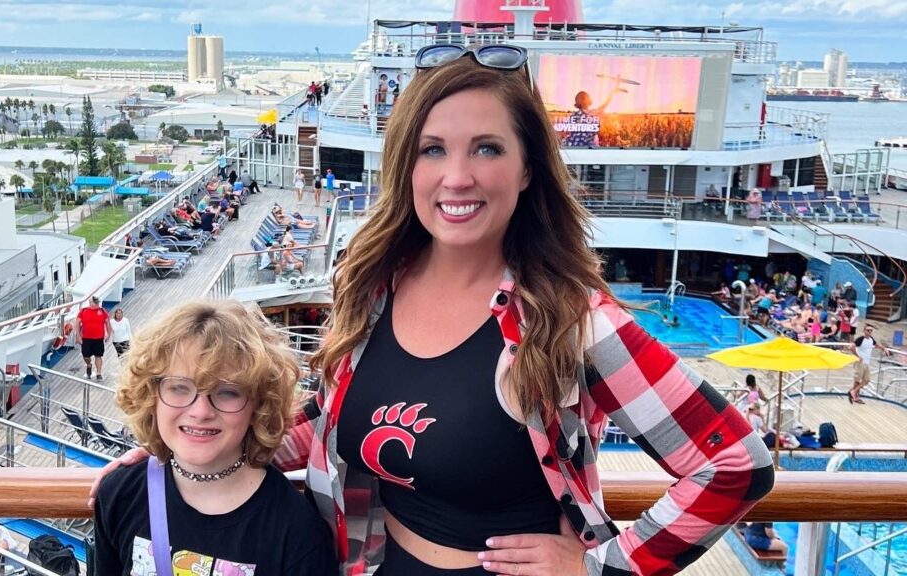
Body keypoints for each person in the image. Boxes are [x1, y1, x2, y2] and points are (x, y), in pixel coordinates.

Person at [92, 42, 773, 575]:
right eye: (433, 150)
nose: (457, 176)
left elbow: (735, 463)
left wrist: (605, 566)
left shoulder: (572, 322)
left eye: (487, 148)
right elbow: (330, 421)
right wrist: (175, 456)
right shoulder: (374, 287)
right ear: (406, 167)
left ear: (528, 168)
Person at [94, 301, 338, 576]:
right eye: (179, 387)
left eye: (227, 392)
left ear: (259, 405)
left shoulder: (297, 531)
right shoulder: (121, 495)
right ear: (151, 396)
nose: (200, 411)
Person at [849, 324, 892, 404]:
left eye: (871, 330)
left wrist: (884, 349)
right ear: (864, 331)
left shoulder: (871, 339)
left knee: (867, 380)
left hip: (866, 363)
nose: (869, 332)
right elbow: (851, 347)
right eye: (868, 330)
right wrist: (858, 356)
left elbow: (876, 344)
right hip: (860, 362)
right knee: (857, 380)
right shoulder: (860, 339)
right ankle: (855, 397)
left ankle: (853, 391)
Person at [77, 296, 111, 380]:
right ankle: (89, 365)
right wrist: (78, 336)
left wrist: (108, 334)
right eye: (90, 302)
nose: (91, 304)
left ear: (97, 303)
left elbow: (107, 323)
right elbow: (77, 323)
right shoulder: (83, 311)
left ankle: (99, 373)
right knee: (86, 356)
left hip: (99, 338)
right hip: (86, 338)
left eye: (92, 302)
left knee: (98, 356)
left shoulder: (102, 311)